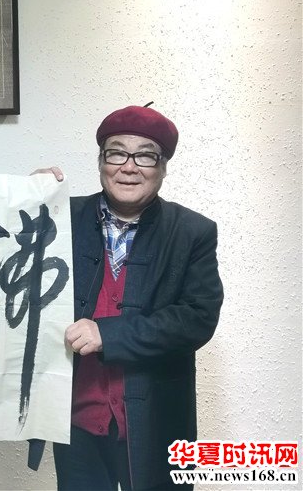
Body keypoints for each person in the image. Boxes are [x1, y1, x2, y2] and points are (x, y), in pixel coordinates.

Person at [48, 104, 223, 490]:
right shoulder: (60, 218)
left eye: (145, 155)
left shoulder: (192, 231)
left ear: (163, 167)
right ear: (101, 162)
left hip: (157, 421)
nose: (129, 167)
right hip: (76, 423)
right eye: (116, 153)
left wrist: (107, 334)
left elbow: (197, 318)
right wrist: (25, 200)